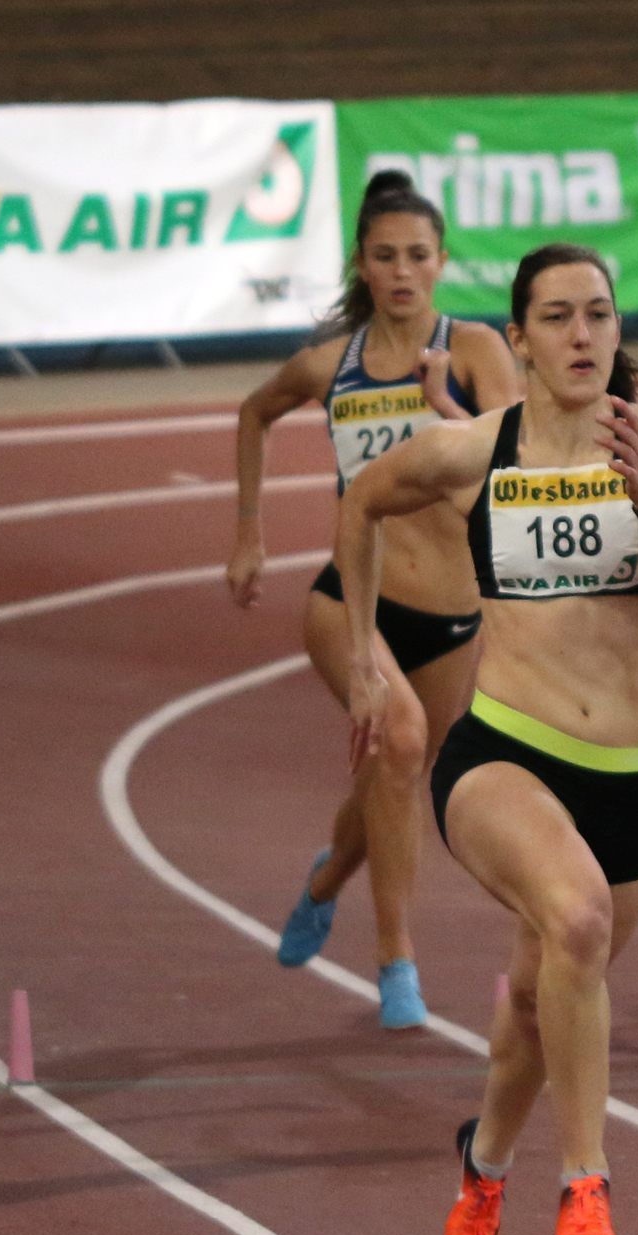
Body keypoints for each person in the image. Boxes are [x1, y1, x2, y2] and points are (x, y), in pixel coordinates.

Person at [336, 243, 638, 1235]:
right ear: (517, 339)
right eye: (554, 318)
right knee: (575, 920)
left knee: (535, 993)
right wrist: (362, 658)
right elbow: (361, 503)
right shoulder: (474, 451)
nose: (580, 335)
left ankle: (484, 1160)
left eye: (597, 315)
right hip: (502, 753)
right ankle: (586, 1181)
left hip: (627, 773)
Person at [227, 170, 520, 1030]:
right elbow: (254, 412)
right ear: (361, 262)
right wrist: (248, 531)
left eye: (418, 256)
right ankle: (397, 964)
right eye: (385, 255)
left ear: (443, 261)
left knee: (397, 770)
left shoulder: (472, 351)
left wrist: (449, 407)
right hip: (351, 600)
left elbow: (518, 449)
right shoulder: (333, 364)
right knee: (399, 741)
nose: (402, 271)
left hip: (453, 613)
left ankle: (325, 879)